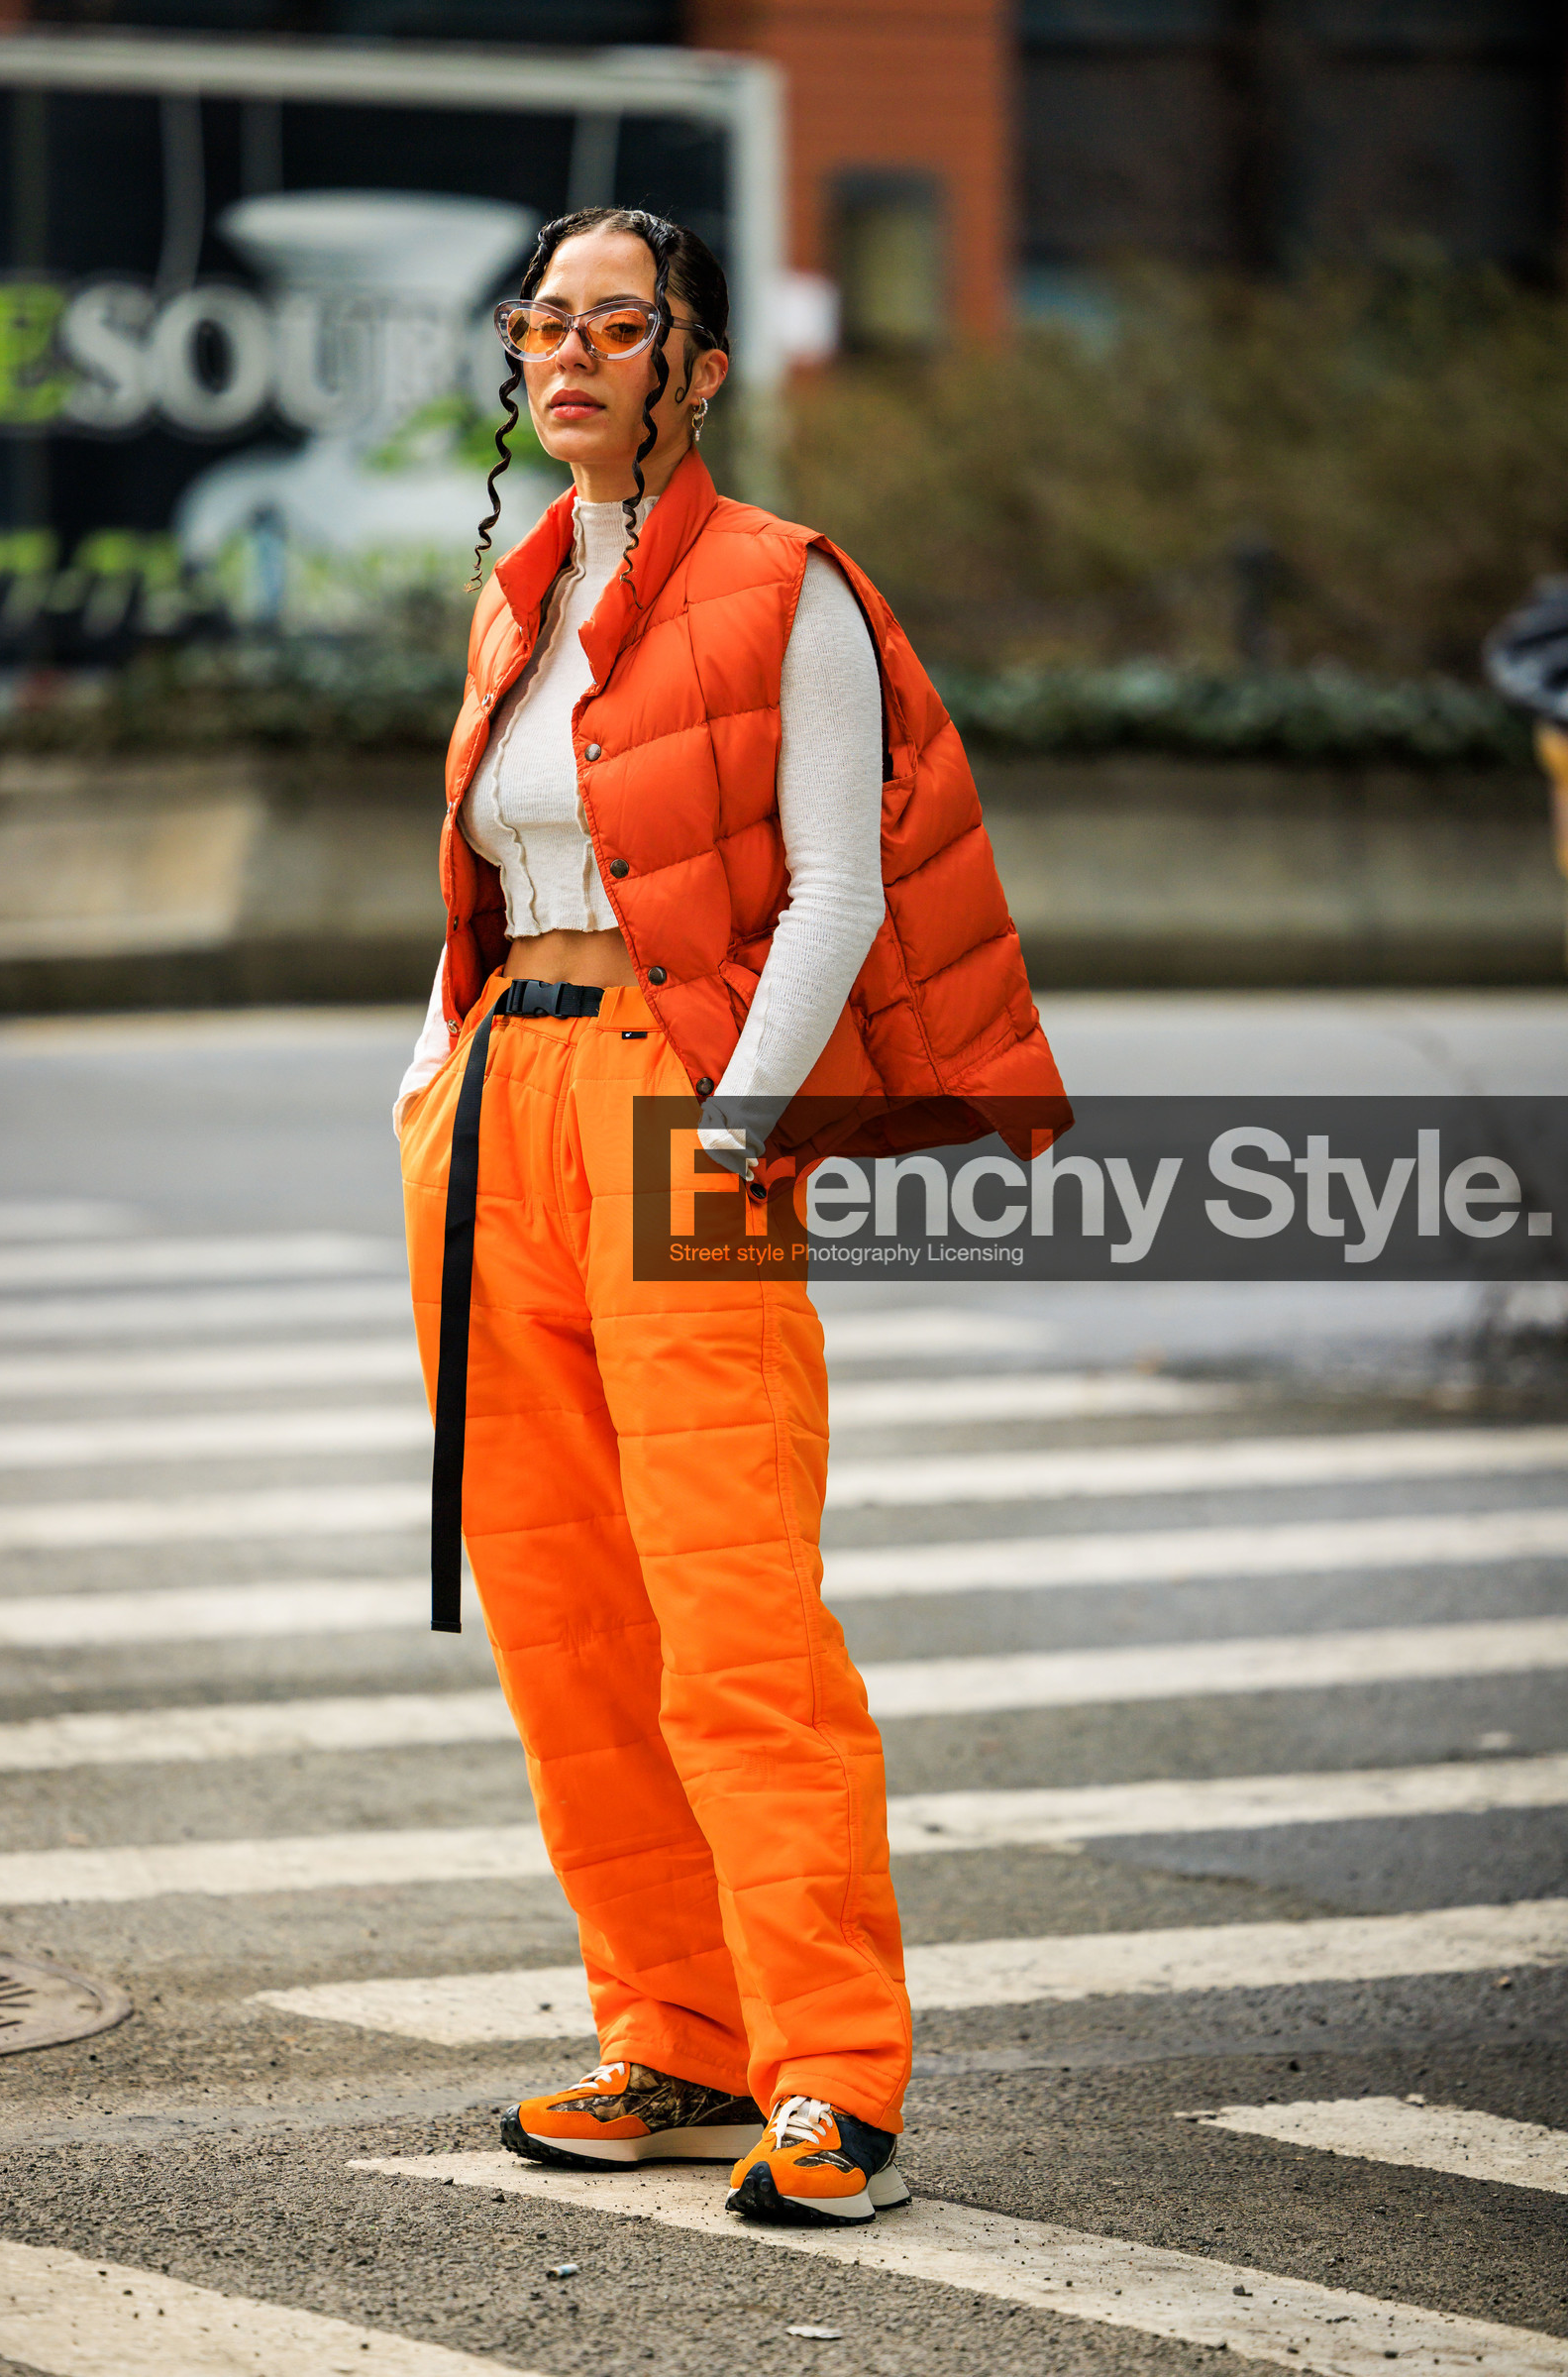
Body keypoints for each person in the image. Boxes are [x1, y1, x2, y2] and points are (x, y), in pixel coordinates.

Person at [395, 206, 1067, 2228]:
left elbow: (836, 892)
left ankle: (828, 2073)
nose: (570, 353)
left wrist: (732, 1130)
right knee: (564, 1622)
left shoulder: (791, 590)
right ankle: (670, 2043)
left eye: (619, 322)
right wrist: (417, 1090)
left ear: (694, 363)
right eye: (542, 321)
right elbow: (482, 878)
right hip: (494, 1113)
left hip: (676, 1113)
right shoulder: (511, 590)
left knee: (732, 1618)